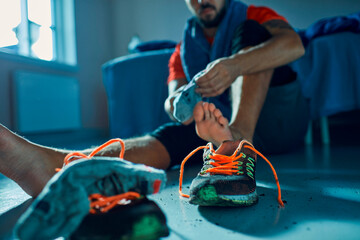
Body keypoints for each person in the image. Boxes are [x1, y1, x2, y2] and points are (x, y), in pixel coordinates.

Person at [0, 0, 309, 207]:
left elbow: (293, 45)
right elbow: (173, 101)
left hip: (281, 120)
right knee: (177, 133)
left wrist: (233, 66)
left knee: (251, 35)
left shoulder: (255, 15)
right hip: (222, 130)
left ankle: (238, 143)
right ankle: (61, 166)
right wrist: (179, 105)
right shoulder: (182, 51)